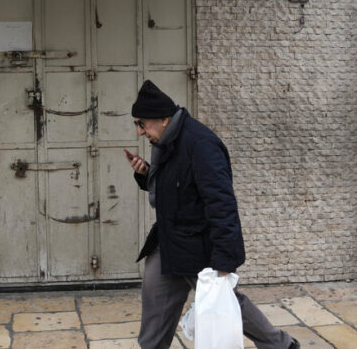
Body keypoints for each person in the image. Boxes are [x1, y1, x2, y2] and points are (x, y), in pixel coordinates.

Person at [125, 80, 299, 349]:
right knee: (154, 302)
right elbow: (175, 187)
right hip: (168, 242)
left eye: (142, 124)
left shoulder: (201, 144)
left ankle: (280, 345)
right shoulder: (165, 141)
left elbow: (222, 203)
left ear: (162, 118)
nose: (139, 132)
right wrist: (146, 174)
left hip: (199, 247)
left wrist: (224, 259)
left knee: (228, 302)